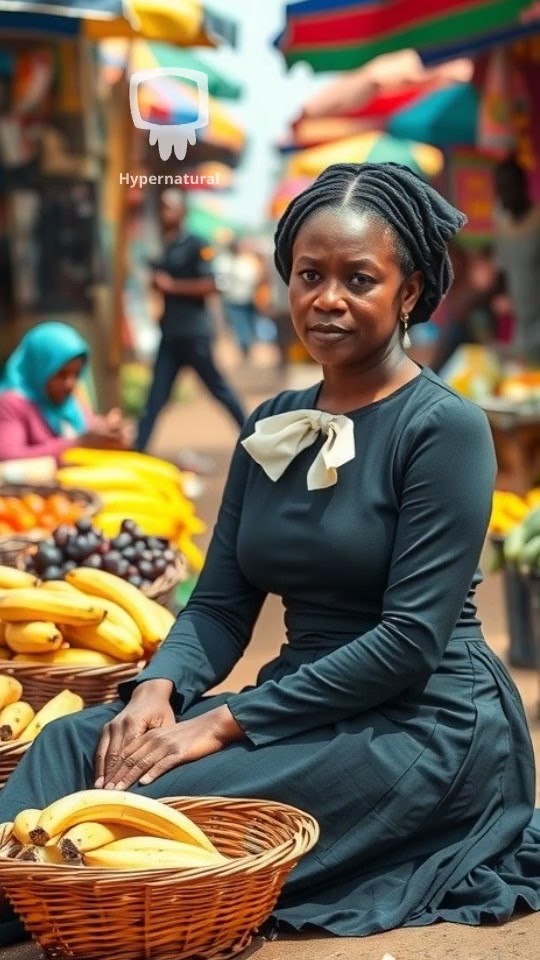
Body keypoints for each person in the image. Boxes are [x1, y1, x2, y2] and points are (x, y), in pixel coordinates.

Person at [1, 163, 539, 942]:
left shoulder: (443, 429)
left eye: (359, 279)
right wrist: (158, 689)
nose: (328, 298)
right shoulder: (273, 425)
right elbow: (221, 604)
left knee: (140, 811)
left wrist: (222, 723)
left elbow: (409, 641)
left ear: (411, 292)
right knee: (74, 744)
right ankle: (23, 894)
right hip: (302, 701)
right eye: (310, 275)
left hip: (419, 721)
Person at [135, 190, 246, 453]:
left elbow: (213, 284)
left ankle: (252, 434)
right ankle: (138, 449)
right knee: (155, 397)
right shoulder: (167, 245)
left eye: (169, 208)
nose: (164, 214)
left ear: (182, 212)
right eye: (161, 208)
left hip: (193, 333)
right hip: (171, 334)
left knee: (219, 389)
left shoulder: (197, 244)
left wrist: (172, 286)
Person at [0, 321, 128, 466]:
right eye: (61, 374)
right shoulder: (11, 405)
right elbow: (8, 457)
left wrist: (109, 431)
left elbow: (90, 429)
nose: (70, 383)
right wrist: (77, 443)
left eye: (76, 374)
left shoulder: (71, 404)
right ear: (38, 368)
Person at [493, 155, 540, 362]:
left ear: (522, 186)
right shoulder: (502, 220)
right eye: (500, 188)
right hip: (521, 322)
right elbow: (502, 265)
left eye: (509, 187)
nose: (505, 194)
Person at [216, 238, 261, 359]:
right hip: (235, 299)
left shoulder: (243, 262)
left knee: (245, 323)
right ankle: (245, 346)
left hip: (245, 298)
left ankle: (247, 345)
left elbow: (254, 279)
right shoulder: (227, 263)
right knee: (241, 323)